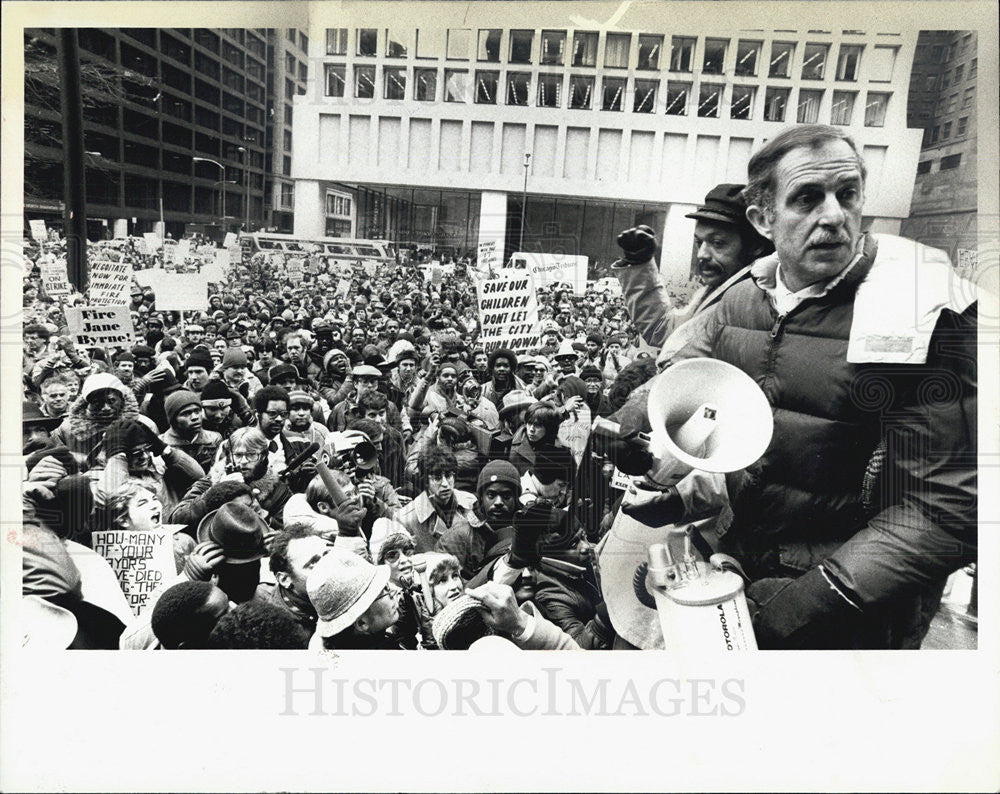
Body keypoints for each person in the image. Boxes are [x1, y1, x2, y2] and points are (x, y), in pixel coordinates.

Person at [616, 125, 977, 649]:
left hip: (853, 617)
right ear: (763, 219)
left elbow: (947, 504)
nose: (832, 215)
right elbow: (707, 401)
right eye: (807, 198)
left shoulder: (926, 308)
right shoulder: (742, 300)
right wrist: (655, 461)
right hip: (742, 578)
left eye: (846, 194)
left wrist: (812, 599)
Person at [614, 182, 773, 362]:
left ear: (756, 246)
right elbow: (666, 332)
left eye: (717, 243)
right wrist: (639, 263)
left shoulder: (762, 303)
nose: (702, 254)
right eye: (700, 242)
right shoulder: (719, 289)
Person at [396, 445, 478, 553]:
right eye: (437, 478)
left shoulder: (470, 502)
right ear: (425, 480)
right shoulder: (406, 519)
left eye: (448, 476)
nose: (445, 484)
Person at [159, 389, 222, 473]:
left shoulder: (214, 439)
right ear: (173, 420)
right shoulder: (162, 444)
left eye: (197, 411)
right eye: (186, 413)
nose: (195, 417)